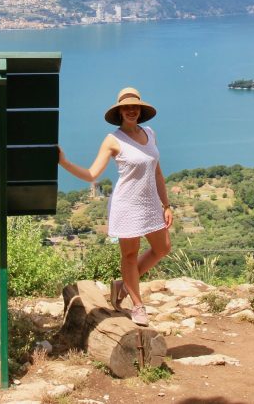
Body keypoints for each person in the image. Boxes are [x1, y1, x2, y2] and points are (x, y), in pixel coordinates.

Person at [58, 87, 173, 327]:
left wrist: (167, 204)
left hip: (151, 202)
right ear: (119, 111)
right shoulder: (113, 140)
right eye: (126, 107)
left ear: (140, 110)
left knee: (162, 248)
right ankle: (137, 305)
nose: (131, 110)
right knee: (129, 255)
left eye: (135, 106)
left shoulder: (150, 133)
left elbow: (158, 172)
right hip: (127, 204)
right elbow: (92, 173)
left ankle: (123, 285)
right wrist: (64, 162)